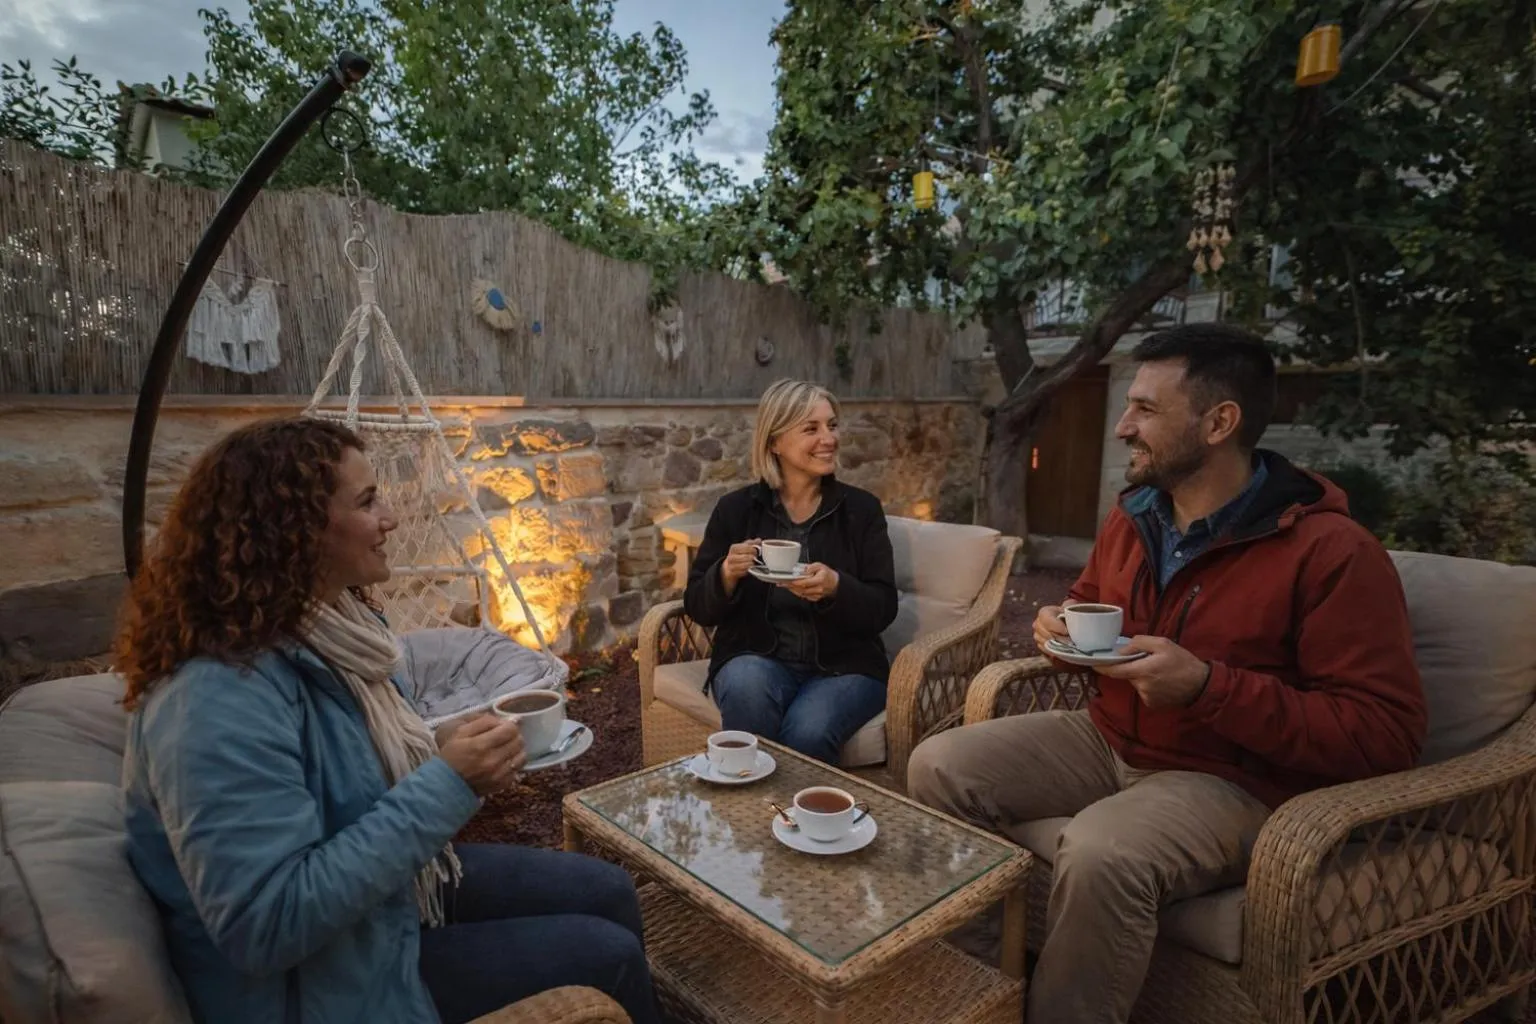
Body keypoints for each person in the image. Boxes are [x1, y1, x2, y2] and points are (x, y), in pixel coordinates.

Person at [908, 324, 1427, 1024]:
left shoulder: (1333, 553)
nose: (1123, 426)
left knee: (1101, 850)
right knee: (939, 764)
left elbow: (1385, 735)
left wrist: (1211, 688)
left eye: (1146, 409)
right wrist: (1060, 632)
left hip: (1234, 779)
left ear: (1219, 422)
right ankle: (982, 993)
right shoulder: (1135, 518)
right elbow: (1092, 611)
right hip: (1110, 737)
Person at [116, 417, 660, 1024]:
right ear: (294, 530)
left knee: (606, 889)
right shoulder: (216, 698)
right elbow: (265, 924)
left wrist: (436, 750)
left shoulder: (330, 633)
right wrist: (447, 783)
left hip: (387, 903)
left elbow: (340, 775)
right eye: (368, 501)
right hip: (321, 984)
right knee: (605, 954)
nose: (392, 518)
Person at [683, 378, 898, 764]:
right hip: (754, 658)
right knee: (748, 692)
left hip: (844, 668)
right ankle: (751, 813)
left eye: (832, 425)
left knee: (808, 731)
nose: (828, 438)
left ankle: (792, 820)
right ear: (775, 442)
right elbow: (698, 606)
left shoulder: (862, 510)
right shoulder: (736, 510)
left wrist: (836, 588)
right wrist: (726, 575)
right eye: (811, 429)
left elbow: (883, 607)